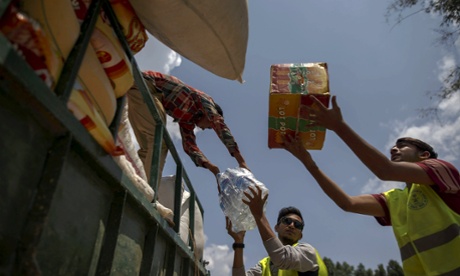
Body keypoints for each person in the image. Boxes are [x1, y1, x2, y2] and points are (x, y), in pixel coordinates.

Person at [282, 95, 460, 275]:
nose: (393, 149)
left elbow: (385, 170)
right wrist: (308, 162)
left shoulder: (442, 169)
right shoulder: (396, 199)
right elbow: (347, 203)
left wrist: (339, 126)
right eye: (394, 146)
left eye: (402, 146)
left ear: (424, 155)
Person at [127, 70, 249, 182]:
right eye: (208, 126)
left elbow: (190, 146)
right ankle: (148, 188)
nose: (203, 128)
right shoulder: (204, 99)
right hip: (146, 85)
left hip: (137, 91)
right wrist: (241, 161)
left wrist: (211, 167)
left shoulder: (187, 121)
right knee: (160, 143)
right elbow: (219, 124)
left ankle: (135, 180)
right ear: (209, 115)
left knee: (149, 148)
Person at [226, 185, 328, 276]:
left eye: (297, 225)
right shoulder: (265, 265)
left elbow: (281, 257)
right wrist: (239, 243)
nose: (292, 225)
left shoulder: (308, 252)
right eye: (287, 221)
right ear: (276, 227)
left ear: (300, 235)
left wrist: (259, 215)